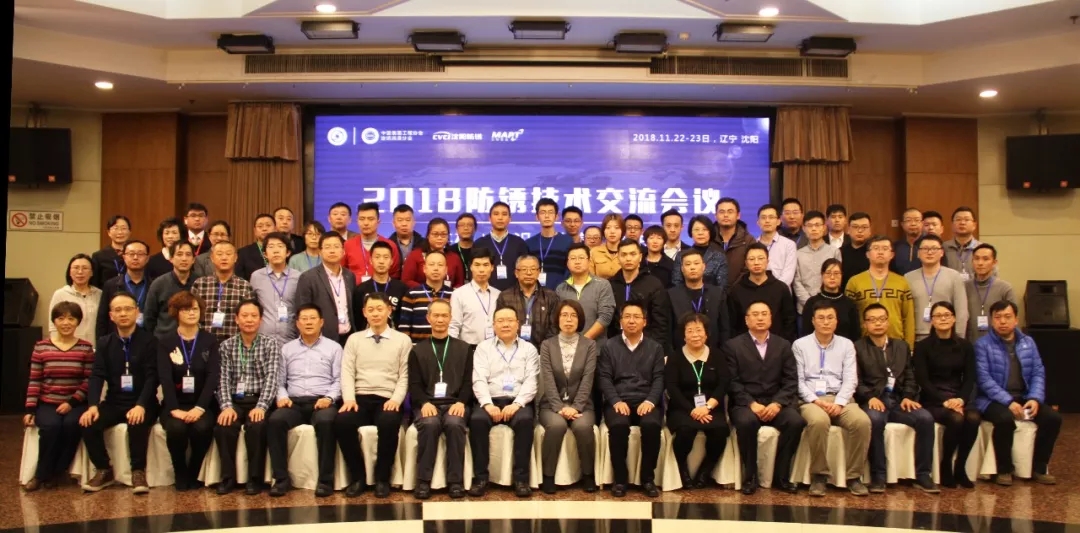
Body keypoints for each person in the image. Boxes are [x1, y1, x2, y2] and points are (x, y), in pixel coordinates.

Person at [853, 303, 939, 494]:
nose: (877, 323)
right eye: (872, 320)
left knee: (925, 418)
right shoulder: (858, 347)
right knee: (874, 421)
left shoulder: (901, 346)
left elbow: (910, 375)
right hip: (873, 400)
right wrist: (869, 396)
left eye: (881, 319)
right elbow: (855, 380)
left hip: (898, 400)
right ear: (865, 324)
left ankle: (923, 474)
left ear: (888, 321)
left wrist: (908, 396)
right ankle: (878, 475)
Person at [974, 300, 1061, 486]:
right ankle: (1004, 469)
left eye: (1007, 317)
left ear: (1016, 320)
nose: (1002, 321)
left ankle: (1039, 468)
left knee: (1053, 418)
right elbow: (983, 379)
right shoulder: (982, 345)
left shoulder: (1028, 342)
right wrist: (1008, 401)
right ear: (991, 321)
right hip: (992, 400)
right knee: (1004, 419)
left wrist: (1035, 398)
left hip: (1024, 396)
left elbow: (1038, 372)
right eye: (997, 317)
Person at [80, 293, 159, 494]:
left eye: (128, 309)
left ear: (137, 312)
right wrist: (92, 405)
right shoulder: (105, 343)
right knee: (88, 423)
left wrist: (140, 405)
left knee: (137, 423)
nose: (123, 313)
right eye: (118, 310)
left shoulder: (150, 341)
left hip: (144, 402)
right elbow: (97, 375)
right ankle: (104, 469)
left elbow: (152, 377)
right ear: (111, 315)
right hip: (114, 402)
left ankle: (138, 471)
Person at [724, 302, 804, 495]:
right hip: (746, 403)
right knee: (746, 423)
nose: (760, 318)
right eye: (755, 314)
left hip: (776, 401)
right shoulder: (733, 346)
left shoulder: (783, 345)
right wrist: (751, 403)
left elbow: (791, 380)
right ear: (746, 320)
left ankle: (781, 476)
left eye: (764, 314)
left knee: (796, 422)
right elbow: (732, 381)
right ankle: (750, 476)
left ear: (770, 318)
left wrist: (777, 403)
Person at [793, 300, 871, 496]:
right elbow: (798, 381)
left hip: (840, 398)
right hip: (811, 400)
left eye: (830, 318)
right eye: (821, 318)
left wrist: (839, 402)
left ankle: (854, 476)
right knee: (819, 422)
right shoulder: (800, 345)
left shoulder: (846, 345)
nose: (826, 322)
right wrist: (816, 401)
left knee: (862, 422)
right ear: (813, 321)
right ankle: (819, 476)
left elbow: (851, 379)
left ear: (837, 321)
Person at [336, 293, 410, 498]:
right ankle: (358, 477)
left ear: (389, 310)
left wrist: (396, 399)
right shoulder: (354, 339)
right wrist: (349, 399)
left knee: (389, 422)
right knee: (342, 422)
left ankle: (382, 478)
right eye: (371, 310)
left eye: (379, 309)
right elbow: (347, 371)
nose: (375, 314)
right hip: (359, 397)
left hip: (387, 397)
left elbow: (404, 375)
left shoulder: (402, 340)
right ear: (364, 313)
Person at [267, 304, 342, 498]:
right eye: (304, 319)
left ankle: (325, 481)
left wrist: (329, 398)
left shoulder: (334, 348)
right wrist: (282, 397)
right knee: (275, 421)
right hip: (294, 402)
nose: (308, 322)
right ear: (297, 323)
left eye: (312, 318)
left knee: (327, 422)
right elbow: (279, 381)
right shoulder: (287, 349)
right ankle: (281, 479)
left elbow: (339, 380)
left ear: (321, 322)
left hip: (322, 401)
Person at [22, 301, 94, 492]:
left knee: (72, 425)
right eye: (61, 318)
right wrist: (30, 409)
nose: (66, 323)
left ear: (78, 322)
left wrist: (72, 402)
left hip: (76, 402)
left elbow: (89, 380)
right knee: (51, 427)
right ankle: (41, 475)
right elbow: (35, 380)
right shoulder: (41, 347)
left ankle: (57, 471)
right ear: (54, 321)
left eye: (71, 318)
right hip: (47, 401)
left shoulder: (85, 348)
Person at [469, 306, 540, 498]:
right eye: (500, 321)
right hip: (490, 399)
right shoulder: (483, 348)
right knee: (477, 420)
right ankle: (481, 478)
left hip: (518, 401)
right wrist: (487, 404)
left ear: (518, 323)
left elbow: (531, 381)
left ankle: (521, 479)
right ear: (493, 325)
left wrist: (517, 404)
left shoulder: (529, 349)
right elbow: (478, 379)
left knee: (525, 421)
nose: (505, 324)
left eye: (510, 320)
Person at [213, 299, 282, 496]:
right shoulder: (226, 346)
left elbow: (272, 378)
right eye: (244, 316)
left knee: (257, 427)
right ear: (236, 319)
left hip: (259, 400)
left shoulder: (270, 345)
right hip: (235, 401)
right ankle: (228, 478)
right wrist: (226, 406)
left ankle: (255, 479)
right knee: (224, 426)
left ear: (260, 320)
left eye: (254, 316)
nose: (249, 320)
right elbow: (222, 380)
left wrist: (262, 406)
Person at [597, 301, 665, 498]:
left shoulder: (655, 348)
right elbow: (604, 378)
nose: (632, 321)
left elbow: (659, 378)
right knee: (618, 426)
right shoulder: (609, 346)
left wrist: (650, 401)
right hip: (619, 400)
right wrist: (615, 401)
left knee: (652, 425)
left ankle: (647, 478)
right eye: (627, 316)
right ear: (620, 321)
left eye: (636, 317)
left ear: (645, 321)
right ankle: (620, 479)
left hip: (646, 400)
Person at [408, 299, 474, 499]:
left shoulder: (464, 348)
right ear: (428, 318)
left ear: (450, 318)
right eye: (436, 315)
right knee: (429, 424)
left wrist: (461, 402)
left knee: (455, 424)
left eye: (444, 315)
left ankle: (455, 481)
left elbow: (468, 382)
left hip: (456, 403)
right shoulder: (417, 350)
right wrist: (424, 402)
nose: (440, 319)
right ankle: (423, 481)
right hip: (428, 404)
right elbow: (414, 384)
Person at [914, 301, 980, 489]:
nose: (943, 319)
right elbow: (923, 380)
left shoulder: (965, 346)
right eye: (938, 316)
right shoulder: (923, 346)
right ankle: (945, 466)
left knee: (973, 418)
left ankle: (960, 466)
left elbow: (970, 377)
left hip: (959, 396)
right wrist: (945, 401)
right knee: (956, 419)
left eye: (947, 315)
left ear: (954, 318)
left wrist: (960, 399)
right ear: (932, 321)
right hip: (934, 398)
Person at [158, 290, 220, 491]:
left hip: (201, 404)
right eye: (186, 309)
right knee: (176, 429)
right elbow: (165, 378)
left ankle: (194, 470)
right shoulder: (166, 342)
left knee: (202, 428)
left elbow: (213, 376)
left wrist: (200, 408)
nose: (192, 313)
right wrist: (174, 409)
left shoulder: (210, 341)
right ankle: (180, 471)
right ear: (176, 313)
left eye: (195, 309)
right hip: (175, 404)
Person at [537, 299, 598, 495]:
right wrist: (559, 407)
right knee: (556, 426)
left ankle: (588, 475)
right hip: (551, 404)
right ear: (557, 319)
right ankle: (548, 476)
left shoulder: (589, 345)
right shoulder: (547, 345)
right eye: (564, 315)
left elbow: (588, 379)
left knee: (583, 427)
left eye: (573, 315)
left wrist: (576, 407)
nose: (569, 319)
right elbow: (547, 379)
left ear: (580, 320)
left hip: (582, 404)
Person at [667, 313, 730, 490]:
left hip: (711, 406)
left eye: (699, 330)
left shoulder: (717, 355)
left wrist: (707, 407)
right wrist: (692, 410)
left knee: (719, 431)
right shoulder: (675, 357)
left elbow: (724, 384)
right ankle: (682, 470)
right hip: (682, 407)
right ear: (683, 335)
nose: (695, 335)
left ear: (706, 333)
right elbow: (672, 388)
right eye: (690, 331)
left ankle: (705, 471)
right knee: (685, 431)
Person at [845, 236, 916, 348]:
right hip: (863, 345)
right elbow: (848, 318)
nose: (880, 252)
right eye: (876, 248)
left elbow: (908, 317)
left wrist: (909, 346)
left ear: (892, 254)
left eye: (885, 248)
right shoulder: (854, 282)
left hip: (896, 343)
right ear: (867, 254)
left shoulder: (902, 282)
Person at [607, 239, 673, 354]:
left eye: (633, 254)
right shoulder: (610, 284)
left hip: (647, 346)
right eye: (624, 254)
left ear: (640, 257)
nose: (628, 258)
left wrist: (653, 350)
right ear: (618, 257)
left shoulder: (653, 284)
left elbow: (661, 324)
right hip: (616, 347)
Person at [295, 233, 357, 345]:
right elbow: (301, 311)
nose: (332, 251)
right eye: (327, 247)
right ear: (320, 252)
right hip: (321, 340)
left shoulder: (350, 276)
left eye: (336, 247)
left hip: (348, 337)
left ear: (343, 251)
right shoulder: (308, 277)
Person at [904, 234, 969, 341]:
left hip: (947, 335)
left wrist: (958, 338)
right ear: (918, 253)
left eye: (934, 248)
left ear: (942, 252)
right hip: (917, 336)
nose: (929, 252)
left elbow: (961, 310)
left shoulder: (954, 276)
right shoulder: (908, 278)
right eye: (925, 249)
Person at [728, 243, 797, 341]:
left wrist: (783, 343)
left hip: (776, 344)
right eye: (752, 259)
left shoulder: (781, 288)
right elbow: (732, 323)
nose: (756, 263)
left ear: (768, 261)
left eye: (760, 258)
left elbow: (789, 320)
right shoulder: (736, 290)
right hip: (745, 345)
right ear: (746, 263)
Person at [190, 241, 255, 343]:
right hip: (204, 343)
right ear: (212, 258)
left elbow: (249, 318)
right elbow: (191, 314)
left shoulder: (244, 286)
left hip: (234, 343)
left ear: (235, 258)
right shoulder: (200, 284)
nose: (224, 258)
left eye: (228, 254)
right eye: (219, 254)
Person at [556, 243, 617, 351]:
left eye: (581, 258)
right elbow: (557, 319)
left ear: (589, 261)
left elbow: (605, 317)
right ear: (567, 263)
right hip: (566, 349)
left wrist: (583, 341)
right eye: (573, 258)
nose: (577, 261)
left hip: (596, 349)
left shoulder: (603, 285)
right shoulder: (561, 289)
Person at [669, 248, 730, 352]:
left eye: (696, 263)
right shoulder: (672, 294)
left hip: (713, 351)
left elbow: (724, 328)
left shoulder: (717, 293)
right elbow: (668, 329)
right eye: (688, 264)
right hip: (681, 352)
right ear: (682, 269)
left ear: (704, 266)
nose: (692, 267)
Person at [496, 255, 560, 350]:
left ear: (538, 272)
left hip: (543, 351)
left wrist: (544, 349)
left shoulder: (551, 296)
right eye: (524, 269)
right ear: (516, 273)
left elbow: (554, 327)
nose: (529, 273)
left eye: (533, 269)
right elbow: (501, 325)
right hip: (512, 350)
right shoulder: (505, 297)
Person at [250, 232, 301, 347]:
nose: (276, 251)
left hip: (291, 340)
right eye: (271, 247)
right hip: (263, 340)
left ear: (288, 252)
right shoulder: (256, 277)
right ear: (265, 254)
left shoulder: (298, 277)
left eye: (280, 246)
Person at [96, 240, 152, 340]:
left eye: (140, 254)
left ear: (147, 258)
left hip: (147, 339)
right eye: (131, 254)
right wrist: (102, 342)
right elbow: (102, 319)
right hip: (117, 339)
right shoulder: (111, 285)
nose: (135, 257)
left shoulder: (155, 285)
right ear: (124, 257)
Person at [793, 211, 842, 318]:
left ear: (824, 228)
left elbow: (837, 278)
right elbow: (796, 281)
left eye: (817, 225)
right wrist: (809, 303)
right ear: (804, 228)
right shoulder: (798, 254)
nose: (814, 229)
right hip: (804, 309)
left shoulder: (834, 252)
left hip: (829, 308)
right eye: (810, 225)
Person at [398, 250, 455, 342]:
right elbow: (404, 328)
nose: (436, 268)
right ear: (424, 268)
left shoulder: (454, 295)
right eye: (432, 264)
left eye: (440, 265)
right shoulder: (412, 294)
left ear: (446, 270)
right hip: (417, 347)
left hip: (447, 347)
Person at [144, 241, 197, 338]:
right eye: (179, 254)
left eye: (188, 255)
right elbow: (149, 317)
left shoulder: (200, 282)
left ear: (193, 259)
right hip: (164, 339)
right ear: (171, 258)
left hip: (193, 338)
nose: (184, 258)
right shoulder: (159, 284)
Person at [449, 248, 501, 345]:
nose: (481, 270)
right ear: (471, 267)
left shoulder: (498, 294)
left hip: (494, 348)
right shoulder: (459, 294)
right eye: (477, 265)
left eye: (486, 265)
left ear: (492, 267)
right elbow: (454, 326)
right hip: (468, 348)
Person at [965, 244, 1016, 342]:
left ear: (994, 262)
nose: (980, 263)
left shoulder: (1005, 288)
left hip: (998, 343)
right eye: (976, 259)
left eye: (985, 259)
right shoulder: (964, 287)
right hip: (969, 342)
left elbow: (1011, 320)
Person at [354, 241, 409, 332]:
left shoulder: (402, 289)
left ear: (391, 261)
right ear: (371, 260)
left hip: (395, 337)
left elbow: (405, 319)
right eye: (377, 257)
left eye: (386, 257)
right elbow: (357, 320)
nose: (381, 261)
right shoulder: (360, 290)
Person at [49, 254, 102, 347]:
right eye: (76, 268)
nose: (80, 272)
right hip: (68, 349)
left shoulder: (99, 294)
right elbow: (53, 326)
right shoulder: (60, 294)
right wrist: (58, 348)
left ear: (92, 272)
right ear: (69, 272)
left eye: (85, 268)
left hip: (94, 347)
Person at [474, 202, 529, 291]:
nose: (500, 218)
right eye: (496, 214)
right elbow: (474, 271)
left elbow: (525, 271)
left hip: (514, 294)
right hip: (486, 292)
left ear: (510, 219)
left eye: (504, 214)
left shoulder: (519, 243)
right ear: (489, 218)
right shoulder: (480, 244)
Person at [801, 259, 861, 341]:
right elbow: (806, 333)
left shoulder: (849, 304)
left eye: (836, 273)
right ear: (822, 275)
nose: (832, 277)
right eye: (828, 273)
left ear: (841, 276)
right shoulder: (811, 302)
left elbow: (855, 334)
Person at [343, 202, 402, 283]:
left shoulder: (390, 245)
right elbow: (341, 272)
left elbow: (394, 275)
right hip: (354, 289)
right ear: (357, 221)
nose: (366, 223)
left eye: (370, 219)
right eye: (362, 219)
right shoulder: (348, 245)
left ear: (378, 222)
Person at [402, 218, 466, 288]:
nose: (439, 238)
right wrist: (427, 289)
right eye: (435, 234)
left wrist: (449, 291)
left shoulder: (454, 258)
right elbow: (406, 280)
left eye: (443, 234)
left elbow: (459, 283)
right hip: (421, 293)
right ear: (428, 235)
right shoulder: (415, 255)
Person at [526, 199, 573, 290]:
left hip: (560, 292)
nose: (547, 216)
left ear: (556, 216)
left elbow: (569, 271)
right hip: (535, 292)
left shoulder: (567, 242)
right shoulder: (529, 243)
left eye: (550, 212)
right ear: (537, 217)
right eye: (543, 212)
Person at [671, 215, 729, 288]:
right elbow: (676, 283)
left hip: (712, 295)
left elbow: (722, 286)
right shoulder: (681, 255)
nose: (700, 233)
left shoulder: (719, 257)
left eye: (704, 229)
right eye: (696, 229)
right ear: (691, 232)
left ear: (710, 232)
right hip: (684, 294)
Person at [715, 198, 751, 291]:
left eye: (730, 212)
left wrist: (734, 289)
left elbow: (749, 269)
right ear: (716, 215)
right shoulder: (708, 239)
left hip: (740, 291)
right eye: (722, 212)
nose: (726, 215)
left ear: (738, 215)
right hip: (712, 294)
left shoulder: (748, 240)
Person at [757, 204, 797, 286]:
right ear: (758, 222)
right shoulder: (753, 244)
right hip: (757, 290)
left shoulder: (789, 245)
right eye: (763, 218)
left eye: (771, 217)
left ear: (779, 221)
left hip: (781, 290)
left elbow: (788, 275)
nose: (767, 221)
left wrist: (775, 290)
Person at [91, 215, 131, 288]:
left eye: (124, 228)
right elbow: (94, 283)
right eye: (116, 228)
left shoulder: (135, 255)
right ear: (109, 232)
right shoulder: (98, 256)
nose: (120, 232)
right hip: (107, 293)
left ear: (129, 232)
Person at [944, 206, 983, 280]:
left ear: (974, 225)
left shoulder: (982, 248)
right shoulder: (943, 248)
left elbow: (992, 276)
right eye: (958, 219)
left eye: (966, 219)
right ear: (952, 225)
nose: (962, 223)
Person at [235, 213, 275, 281]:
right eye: (260, 226)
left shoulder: (282, 250)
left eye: (268, 225)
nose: (264, 229)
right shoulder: (243, 253)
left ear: (275, 229)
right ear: (255, 231)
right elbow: (239, 278)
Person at [839, 212, 873, 290]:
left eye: (864, 227)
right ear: (848, 230)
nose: (860, 231)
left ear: (870, 230)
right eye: (855, 227)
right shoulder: (840, 252)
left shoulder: (874, 251)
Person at [589, 213, 624, 280]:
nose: (612, 231)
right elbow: (590, 278)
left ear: (622, 231)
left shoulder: (627, 251)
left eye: (616, 228)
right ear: (603, 231)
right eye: (608, 228)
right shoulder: (594, 252)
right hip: (599, 286)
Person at [892, 208, 924, 274]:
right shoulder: (895, 246)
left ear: (922, 223)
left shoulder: (929, 245)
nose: (913, 224)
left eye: (917, 220)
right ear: (902, 224)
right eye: (908, 220)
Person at [449, 213, 478, 282]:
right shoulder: (449, 251)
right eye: (462, 225)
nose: (466, 228)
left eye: (469, 225)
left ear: (475, 229)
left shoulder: (481, 250)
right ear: (456, 229)